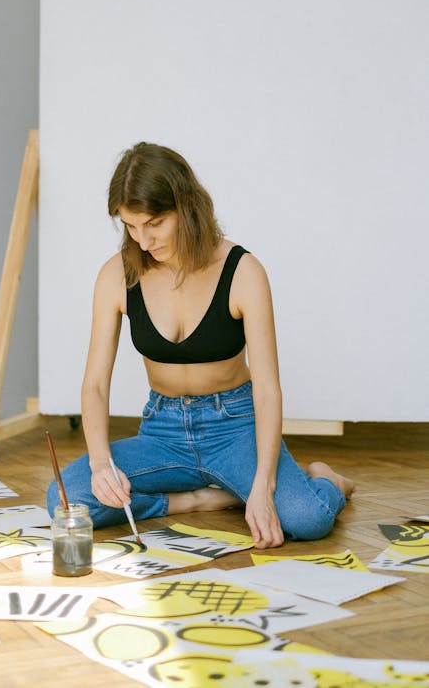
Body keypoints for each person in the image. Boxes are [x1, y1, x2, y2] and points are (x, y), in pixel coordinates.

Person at [47, 142, 355, 549]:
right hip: (163, 431)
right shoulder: (116, 275)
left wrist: (263, 487)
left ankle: (325, 479)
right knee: (66, 498)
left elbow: (266, 390)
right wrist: (102, 464)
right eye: (131, 226)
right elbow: (95, 385)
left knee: (307, 518)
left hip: (236, 427)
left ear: (186, 206)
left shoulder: (243, 271)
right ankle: (194, 499)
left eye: (154, 223)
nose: (142, 240)